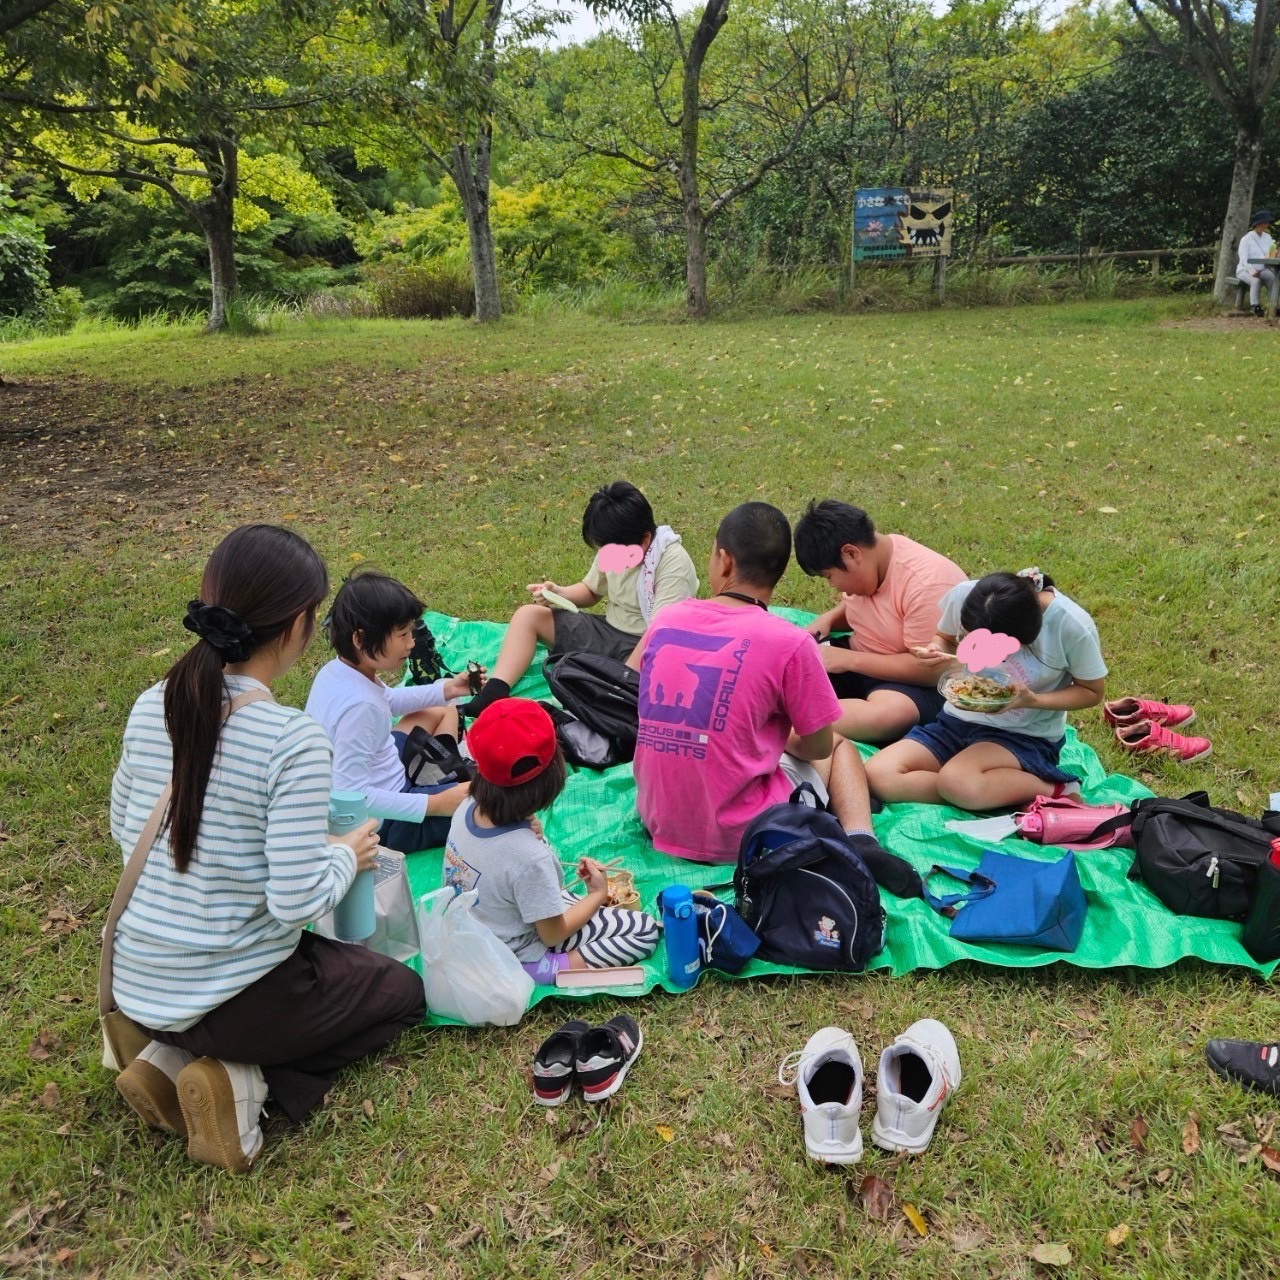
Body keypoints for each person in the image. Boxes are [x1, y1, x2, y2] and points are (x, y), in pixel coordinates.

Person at [109, 526, 425, 1173]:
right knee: (400, 993)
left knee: (318, 977)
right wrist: (346, 854)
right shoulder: (290, 739)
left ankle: (166, 1058)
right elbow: (295, 899)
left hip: (138, 984)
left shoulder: (151, 704)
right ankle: (241, 1081)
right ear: (298, 627)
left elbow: (124, 828)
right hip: (234, 996)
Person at [632, 501, 889, 869]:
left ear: (724, 560)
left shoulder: (665, 620)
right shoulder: (792, 643)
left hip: (658, 818)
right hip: (746, 835)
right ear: (780, 571)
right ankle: (861, 840)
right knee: (839, 746)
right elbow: (818, 747)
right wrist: (762, 736)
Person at [440, 698, 660, 983]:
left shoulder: (468, 805)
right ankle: (548, 968)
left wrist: (535, 837)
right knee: (644, 930)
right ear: (552, 776)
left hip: (472, 929)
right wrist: (595, 896)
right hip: (513, 948)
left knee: (565, 901)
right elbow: (552, 931)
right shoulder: (529, 857)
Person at [864, 568, 1107, 811]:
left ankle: (1054, 789)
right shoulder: (967, 597)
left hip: (1023, 735)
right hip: (955, 721)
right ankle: (984, 790)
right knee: (878, 775)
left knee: (956, 780)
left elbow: (1091, 691)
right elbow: (944, 637)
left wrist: (1031, 700)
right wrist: (934, 650)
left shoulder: (1071, 625)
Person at [461, 481, 698, 716]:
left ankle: (603, 686)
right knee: (528, 616)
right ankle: (493, 692)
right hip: (607, 632)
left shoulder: (672, 563)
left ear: (645, 539)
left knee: (620, 687)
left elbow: (659, 635)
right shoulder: (616, 545)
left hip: (647, 648)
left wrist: (619, 682)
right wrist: (558, 593)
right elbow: (592, 591)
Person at [305, 569, 474, 854]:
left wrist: (449, 690)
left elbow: (389, 699)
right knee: (484, 810)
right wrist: (434, 804)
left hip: (384, 766)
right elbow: (350, 795)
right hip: (387, 820)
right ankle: (441, 785)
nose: (411, 643)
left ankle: (440, 773)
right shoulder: (360, 707)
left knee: (442, 708)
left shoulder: (339, 670)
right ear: (360, 639)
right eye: (403, 634)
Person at [793, 500, 967, 743]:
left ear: (851, 553)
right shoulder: (871, 565)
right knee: (786, 669)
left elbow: (931, 670)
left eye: (829, 576)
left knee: (887, 716)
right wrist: (829, 620)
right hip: (860, 657)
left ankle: (786, 727)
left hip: (914, 683)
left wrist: (849, 661)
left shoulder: (928, 584)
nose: (833, 585)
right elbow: (866, 608)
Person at [1237, 209, 1276, 317]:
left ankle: (1273, 304)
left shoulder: (1267, 238)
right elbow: (1243, 259)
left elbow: (1270, 253)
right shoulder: (1246, 239)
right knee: (1255, 281)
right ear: (1259, 224)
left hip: (1262, 268)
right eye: (1265, 223)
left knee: (1272, 278)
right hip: (1245, 270)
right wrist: (1251, 270)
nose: (1267, 225)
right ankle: (1255, 306)